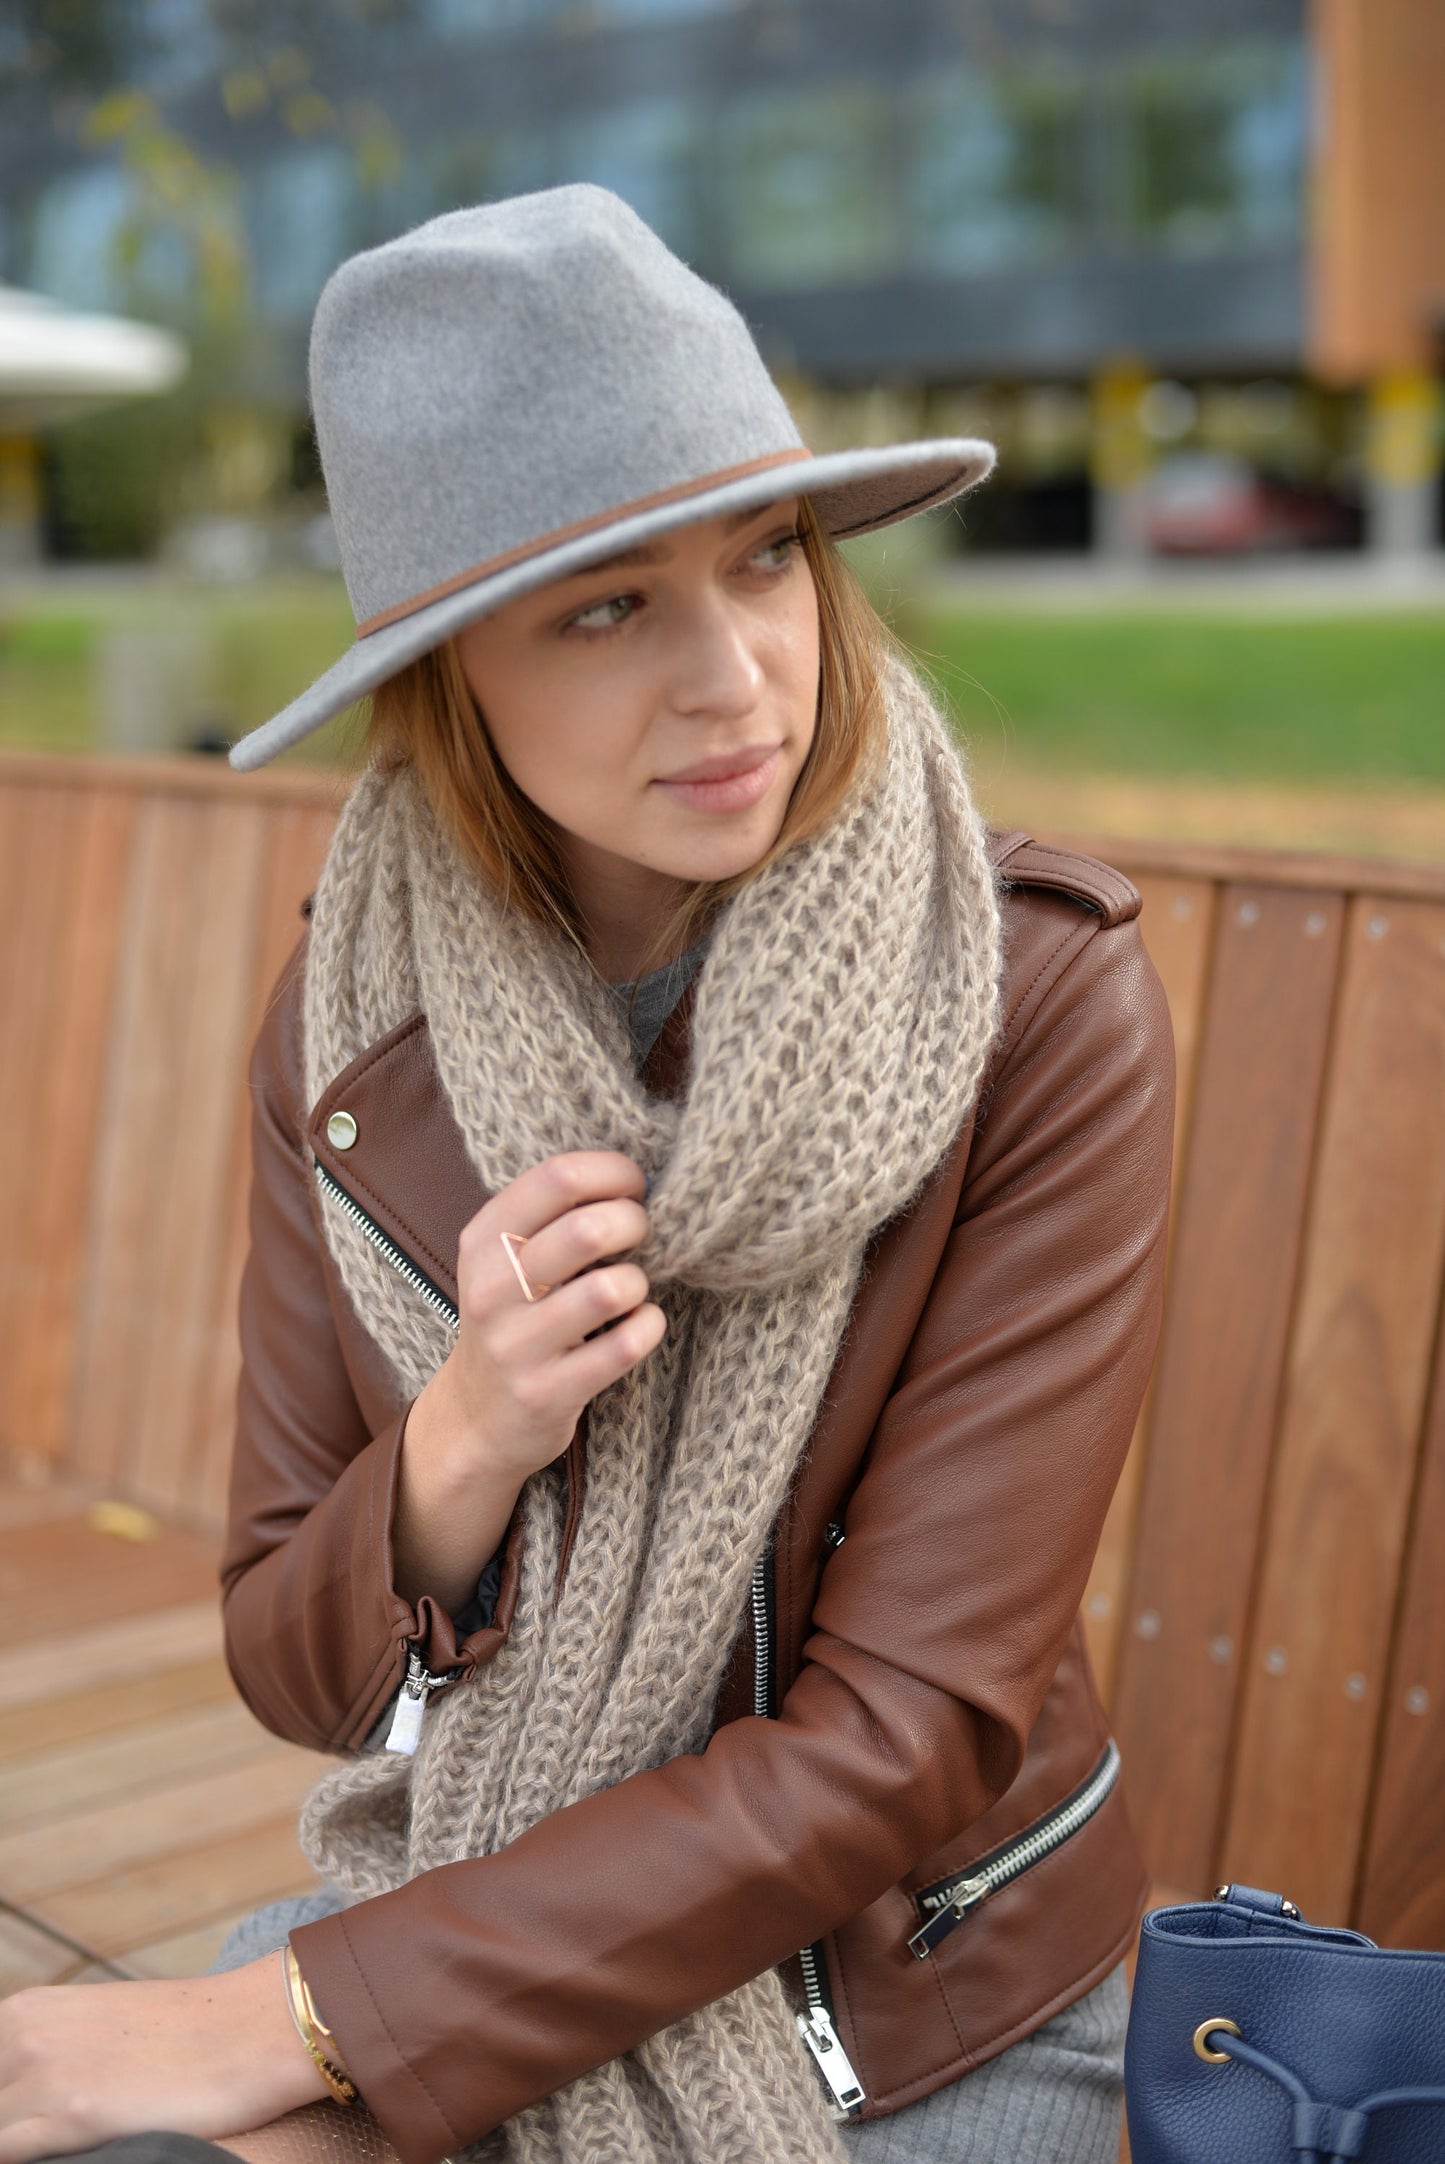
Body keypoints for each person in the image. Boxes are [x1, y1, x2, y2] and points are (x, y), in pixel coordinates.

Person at [0, 186, 1173, 2164]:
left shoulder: (1027, 996)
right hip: (471, 1888)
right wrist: (464, 1438)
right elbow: (293, 1653)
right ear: (455, 669)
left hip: (902, 1990)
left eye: (767, 557)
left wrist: (294, 2010)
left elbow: (906, 1740)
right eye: (610, 604)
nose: (737, 677)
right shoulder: (355, 1021)